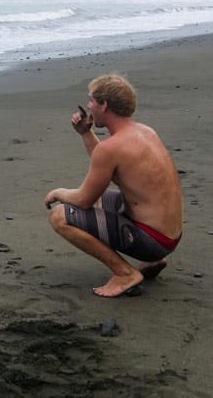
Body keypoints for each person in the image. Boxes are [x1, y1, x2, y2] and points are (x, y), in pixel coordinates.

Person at [44, 74, 183, 297]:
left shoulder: (111, 148)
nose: (88, 106)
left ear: (104, 104)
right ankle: (155, 260)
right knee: (102, 196)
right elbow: (109, 169)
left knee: (60, 216)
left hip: (152, 240)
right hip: (169, 234)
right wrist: (86, 133)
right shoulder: (145, 131)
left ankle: (125, 273)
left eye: (91, 100)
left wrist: (58, 192)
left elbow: (83, 200)